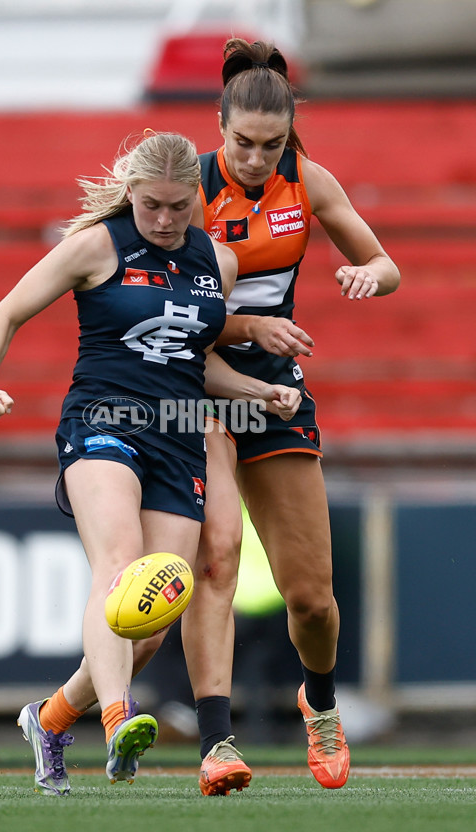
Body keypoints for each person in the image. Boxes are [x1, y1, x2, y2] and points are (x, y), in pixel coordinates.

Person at [0, 131, 302, 795]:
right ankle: (120, 715)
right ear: (131, 194)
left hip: (179, 434)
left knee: (149, 618)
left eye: (179, 207)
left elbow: (195, 357)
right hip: (102, 417)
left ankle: (53, 717)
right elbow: (7, 312)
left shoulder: (219, 263)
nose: (164, 220)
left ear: (195, 201)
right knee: (120, 565)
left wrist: (259, 390)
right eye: (152, 205)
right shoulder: (98, 245)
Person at [177, 37, 401, 795]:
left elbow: (386, 262)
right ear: (219, 127)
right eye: (242, 143)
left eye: (271, 145)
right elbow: (169, 305)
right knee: (215, 559)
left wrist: (365, 273)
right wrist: (249, 327)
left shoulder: (306, 181)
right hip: (194, 388)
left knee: (311, 598)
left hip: (274, 391)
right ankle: (215, 740)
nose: (255, 159)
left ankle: (322, 700)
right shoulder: (189, 189)